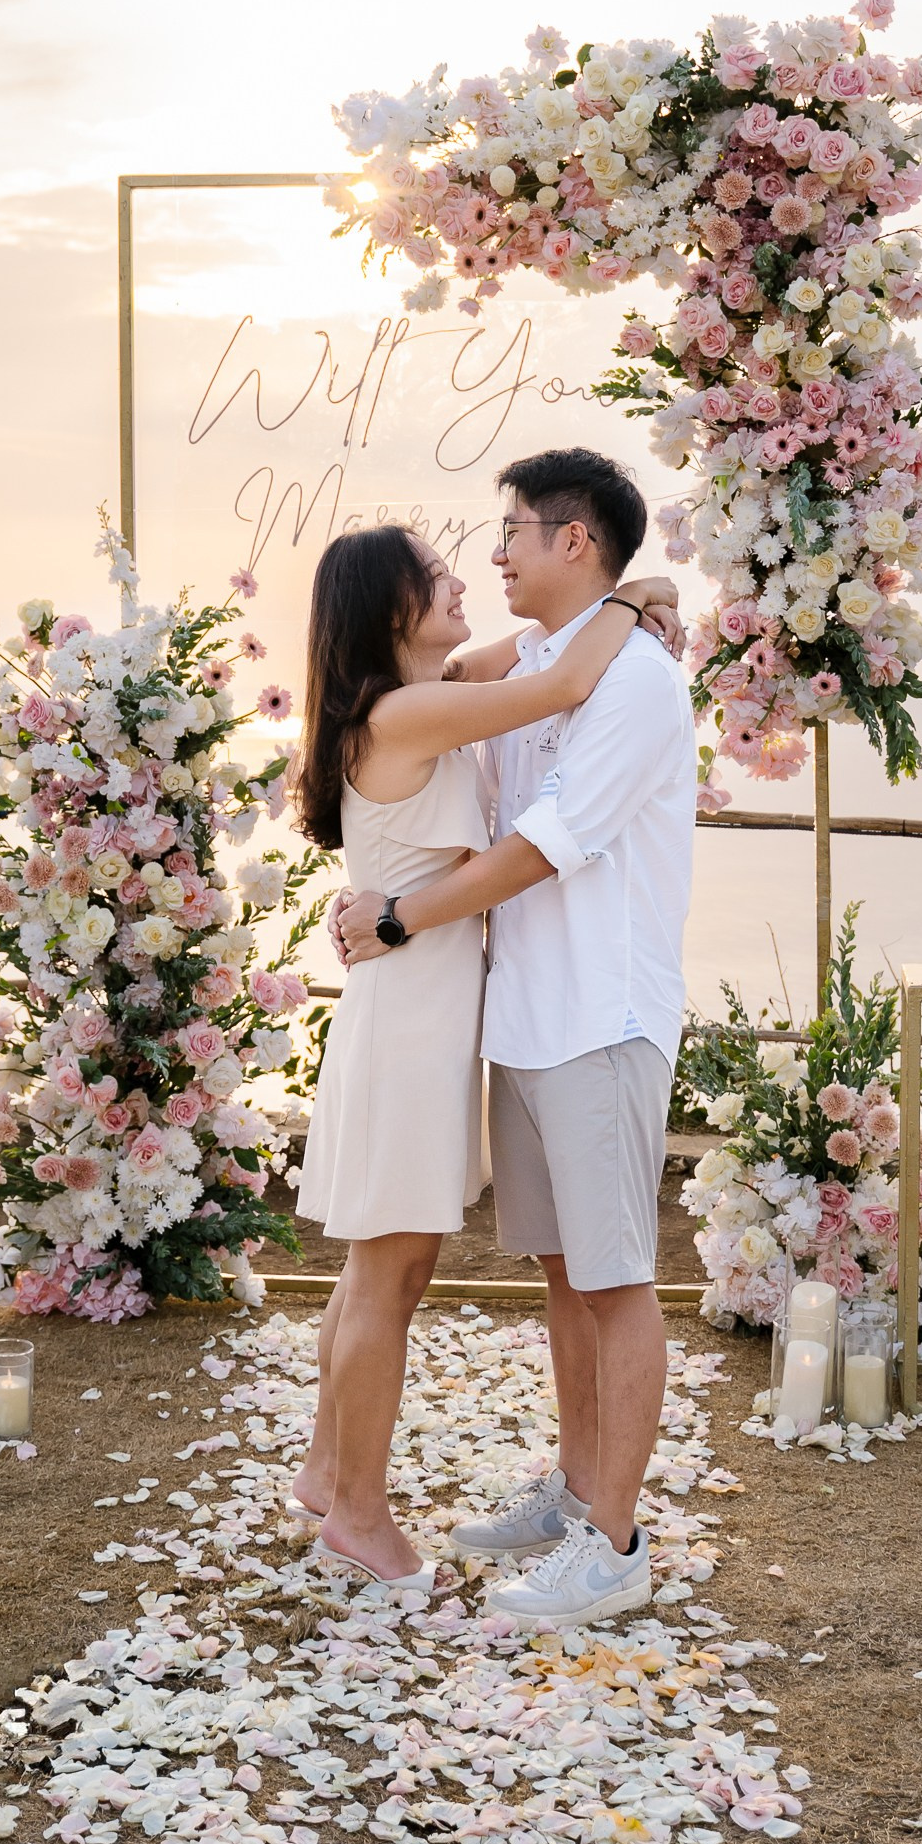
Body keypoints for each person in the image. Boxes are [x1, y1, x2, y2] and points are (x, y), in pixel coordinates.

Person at [338, 445, 697, 1628]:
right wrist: (631, 601)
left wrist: (396, 917)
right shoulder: (545, 658)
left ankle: (613, 1542)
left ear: (572, 541)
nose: (492, 556)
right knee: (562, 1277)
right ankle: (578, 1485)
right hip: (526, 1021)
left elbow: (546, 841)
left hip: (601, 1014)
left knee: (616, 1280)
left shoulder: (634, 680)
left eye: (510, 536)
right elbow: (500, 702)